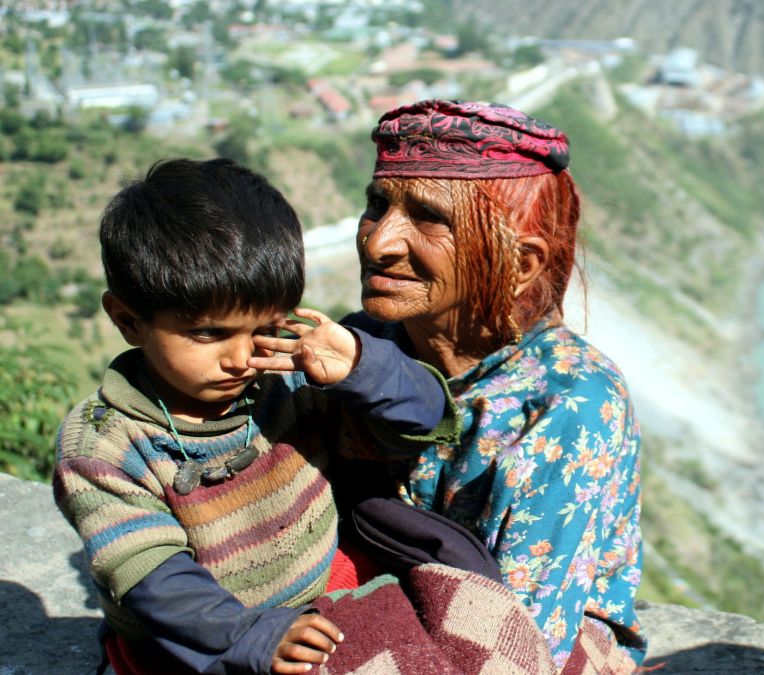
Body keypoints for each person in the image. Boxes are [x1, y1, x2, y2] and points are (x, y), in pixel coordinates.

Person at [53, 158, 459, 674]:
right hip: (197, 644)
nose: (242, 358)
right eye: (208, 334)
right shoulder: (105, 446)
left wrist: (363, 368)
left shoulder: (286, 376)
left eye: (265, 327)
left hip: (322, 598)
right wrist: (252, 635)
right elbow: (156, 582)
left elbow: (424, 422)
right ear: (128, 319)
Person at [344, 99, 645, 667]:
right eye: (376, 205)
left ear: (521, 264)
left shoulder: (569, 406)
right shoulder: (364, 348)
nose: (378, 242)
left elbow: (522, 645)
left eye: (429, 218)